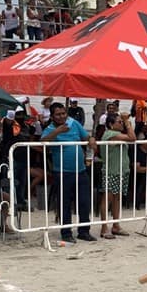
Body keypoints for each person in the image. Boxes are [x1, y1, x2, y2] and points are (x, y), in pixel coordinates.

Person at [40, 103, 97, 242]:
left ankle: (84, 231)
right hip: (62, 172)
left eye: (63, 113)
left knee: (84, 201)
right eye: (58, 114)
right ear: (52, 116)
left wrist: (91, 139)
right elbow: (41, 142)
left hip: (81, 170)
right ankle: (66, 233)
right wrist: (58, 131)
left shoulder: (74, 123)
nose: (62, 116)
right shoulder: (50, 129)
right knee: (64, 203)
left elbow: (85, 136)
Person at [99, 112, 135, 239]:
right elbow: (132, 137)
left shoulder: (116, 134)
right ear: (111, 124)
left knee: (117, 198)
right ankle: (104, 227)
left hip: (120, 170)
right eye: (119, 122)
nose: (121, 124)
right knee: (107, 198)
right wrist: (127, 122)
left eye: (121, 121)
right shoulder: (110, 134)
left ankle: (115, 225)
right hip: (112, 170)